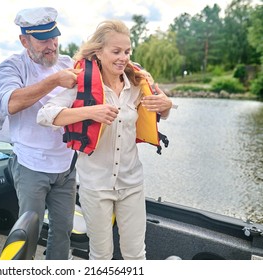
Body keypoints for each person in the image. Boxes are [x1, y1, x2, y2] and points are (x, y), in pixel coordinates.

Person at [37, 19, 174, 260]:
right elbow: (44, 115)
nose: (123, 57)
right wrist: (91, 111)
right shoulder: (83, 85)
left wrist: (167, 106)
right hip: (95, 186)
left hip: (132, 183)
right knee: (101, 256)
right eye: (116, 51)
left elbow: (160, 111)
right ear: (98, 52)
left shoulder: (137, 85)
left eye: (127, 51)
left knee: (136, 254)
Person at [0, 7, 80, 260]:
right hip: (31, 166)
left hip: (66, 166)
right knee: (29, 231)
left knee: (63, 231)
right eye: (43, 39)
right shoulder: (11, 66)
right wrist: (54, 81)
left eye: (54, 37)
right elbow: (10, 103)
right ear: (24, 40)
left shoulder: (67, 63)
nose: (51, 45)